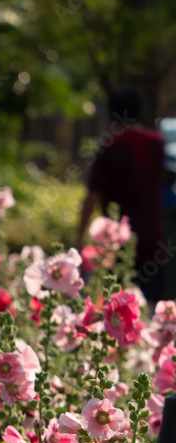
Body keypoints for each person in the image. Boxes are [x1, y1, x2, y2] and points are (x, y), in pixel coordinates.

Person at [77, 88, 166, 301]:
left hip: (116, 243)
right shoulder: (157, 143)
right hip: (154, 239)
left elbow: (93, 197)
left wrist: (79, 236)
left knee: (116, 306)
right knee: (149, 307)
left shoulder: (111, 148)